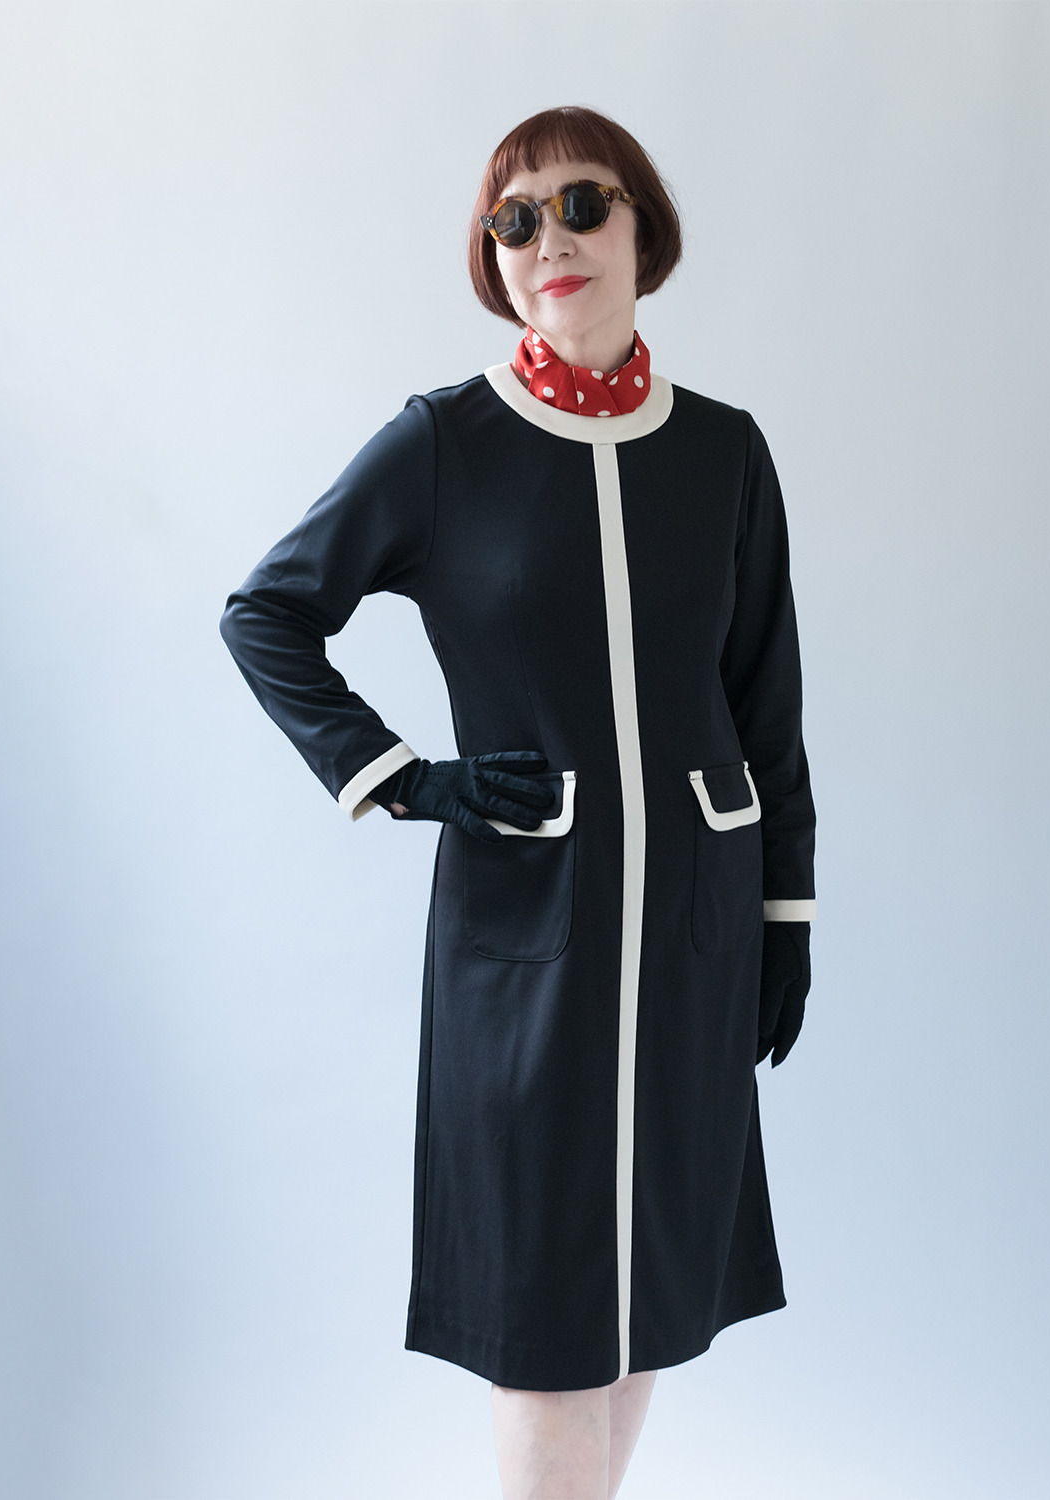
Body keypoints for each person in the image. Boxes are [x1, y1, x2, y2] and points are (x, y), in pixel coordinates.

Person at [220, 106, 815, 1500]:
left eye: (584, 204)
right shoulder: (446, 443)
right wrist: (406, 779)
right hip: (525, 941)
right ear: (494, 260)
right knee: (543, 1317)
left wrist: (785, 918)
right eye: (516, 219)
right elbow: (268, 614)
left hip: (694, 935)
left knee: (652, 1286)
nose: (553, 237)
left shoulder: (723, 453)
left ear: (645, 230)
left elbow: (767, 706)